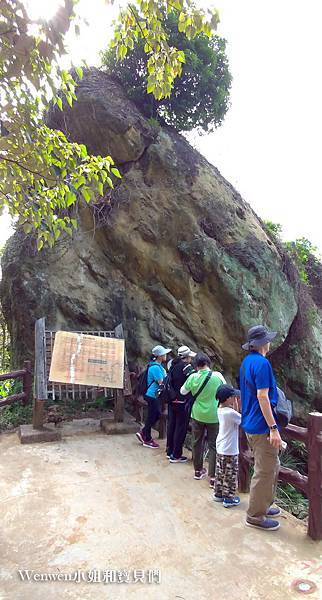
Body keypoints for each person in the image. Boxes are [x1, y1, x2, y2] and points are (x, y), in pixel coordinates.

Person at [240, 325, 282, 531]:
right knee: (264, 471)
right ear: (262, 343)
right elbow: (262, 396)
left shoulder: (247, 362)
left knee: (271, 466)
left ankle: (264, 504)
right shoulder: (262, 363)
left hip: (250, 422)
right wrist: (273, 427)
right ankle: (255, 516)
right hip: (261, 425)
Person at [180, 352, 225, 483]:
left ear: (196, 365)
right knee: (214, 445)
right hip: (214, 416)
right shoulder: (218, 376)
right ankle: (213, 476)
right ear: (208, 363)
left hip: (197, 415)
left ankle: (198, 471)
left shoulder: (193, 377)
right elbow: (226, 389)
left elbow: (183, 391)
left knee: (197, 442)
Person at [136, 344, 171, 449]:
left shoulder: (156, 366)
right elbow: (161, 382)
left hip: (153, 395)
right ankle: (147, 438)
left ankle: (144, 433)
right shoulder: (155, 367)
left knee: (154, 415)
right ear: (159, 356)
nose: (166, 355)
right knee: (154, 415)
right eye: (164, 354)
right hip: (152, 395)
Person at [166, 345, 196, 463]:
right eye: (190, 357)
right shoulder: (186, 367)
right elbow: (193, 381)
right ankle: (176, 454)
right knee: (181, 427)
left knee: (172, 425)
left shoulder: (172, 365)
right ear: (187, 357)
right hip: (182, 401)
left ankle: (170, 451)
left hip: (172, 400)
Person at [214, 384, 241, 507]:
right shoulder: (230, 413)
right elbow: (243, 420)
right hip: (230, 449)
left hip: (221, 446)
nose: (234, 397)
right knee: (230, 474)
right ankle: (229, 498)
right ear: (227, 398)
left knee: (221, 471)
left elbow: (235, 415)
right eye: (232, 396)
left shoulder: (220, 409)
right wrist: (238, 405)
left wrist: (235, 405)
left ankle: (218, 494)